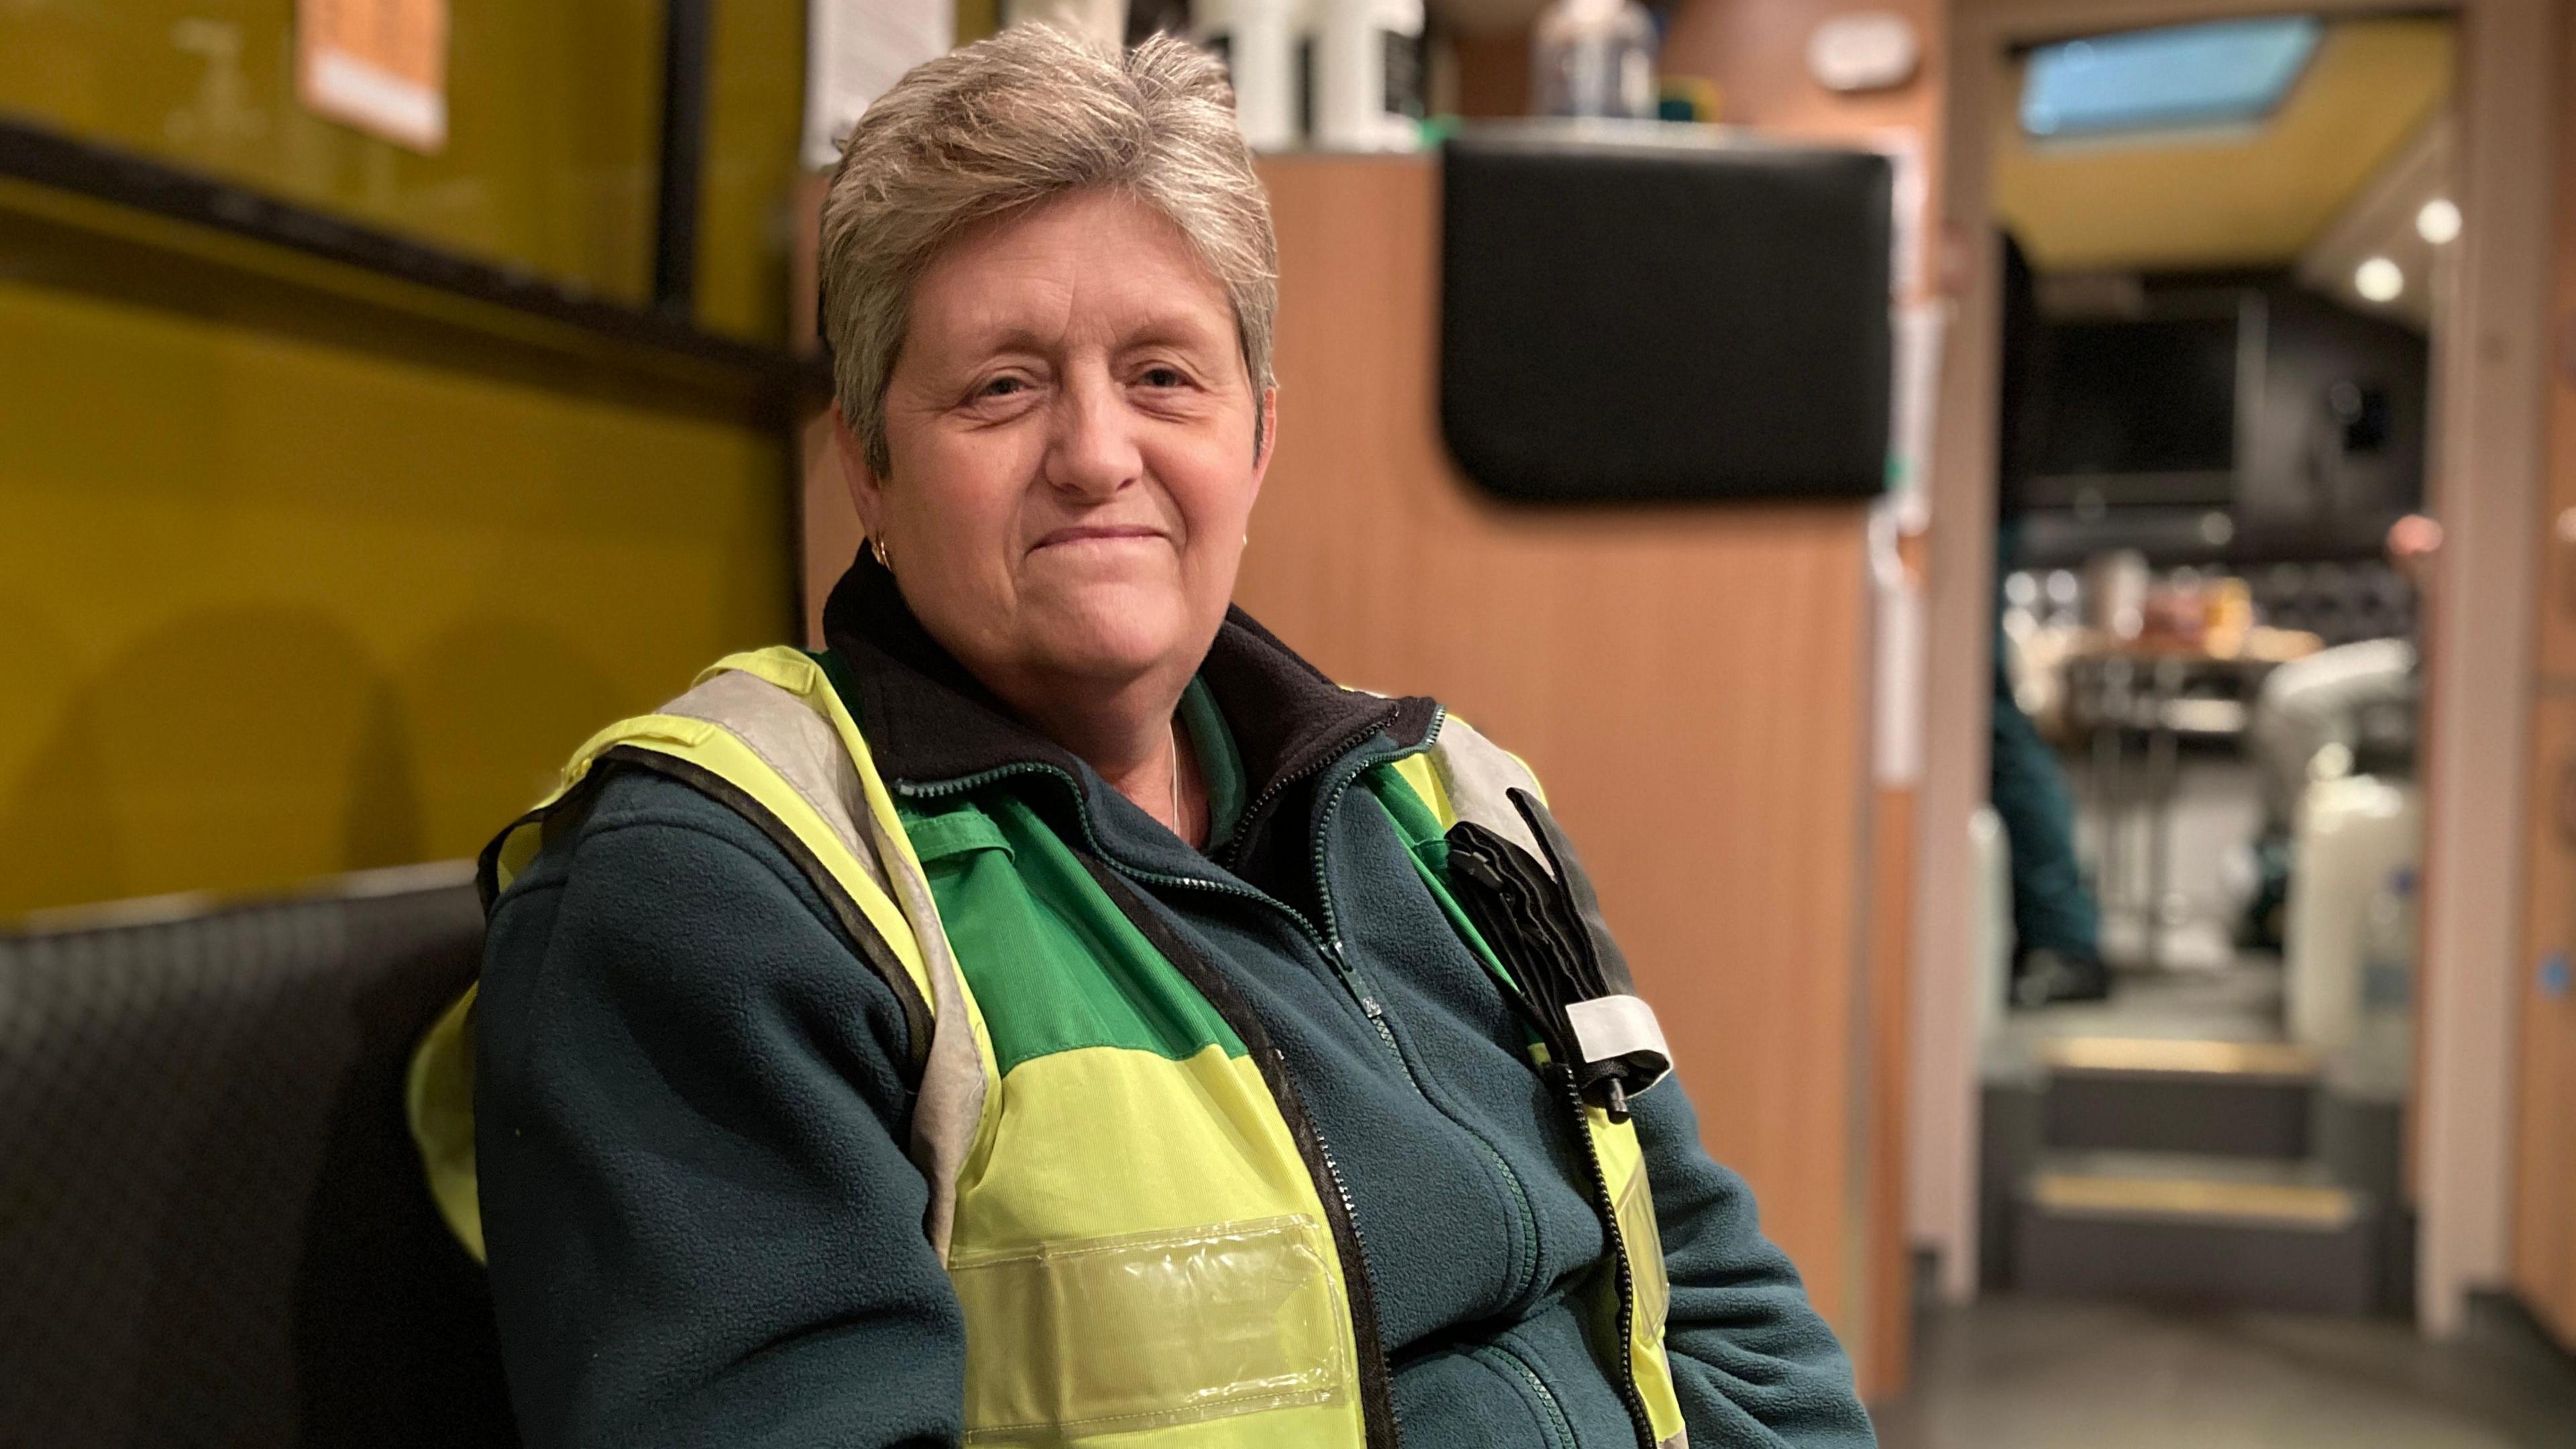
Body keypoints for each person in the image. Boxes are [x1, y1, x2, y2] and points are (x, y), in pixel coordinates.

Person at [463, 26, 1871, 1449]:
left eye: (1162, 378)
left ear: (1255, 444)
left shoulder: (1460, 812)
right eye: (1002, 385)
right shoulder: (725, 887)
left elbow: (1716, 1296)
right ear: (869, 468)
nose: (1094, 452)